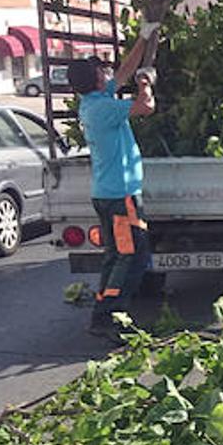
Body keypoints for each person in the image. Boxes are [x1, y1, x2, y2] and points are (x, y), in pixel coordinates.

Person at [68, 23, 159, 341]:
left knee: (117, 255)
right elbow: (146, 107)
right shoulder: (103, 108)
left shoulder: (93, 101)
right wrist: (146, 83)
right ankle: (108, 314)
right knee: (131, 256)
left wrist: (144, 39)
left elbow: (123, 73)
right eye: (101, 71)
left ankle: (105, 310)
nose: (107, 74)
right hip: (122, 198)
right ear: (95, 80)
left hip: (110, 194)